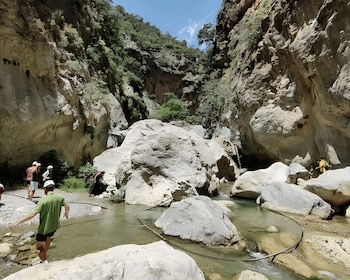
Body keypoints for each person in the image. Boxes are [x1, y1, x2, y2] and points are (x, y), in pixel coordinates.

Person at [9, 180, 70, 264]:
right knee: (48, 237)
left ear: (45, 189)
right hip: (54, 226)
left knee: (39, 248)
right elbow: (67, 206)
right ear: (54, 188)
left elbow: (32, 214)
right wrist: (66, 213)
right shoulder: (60, 197)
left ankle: (45, 262)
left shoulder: (43, 201)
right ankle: (45, 253)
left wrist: (17, 222)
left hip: (43, 229)